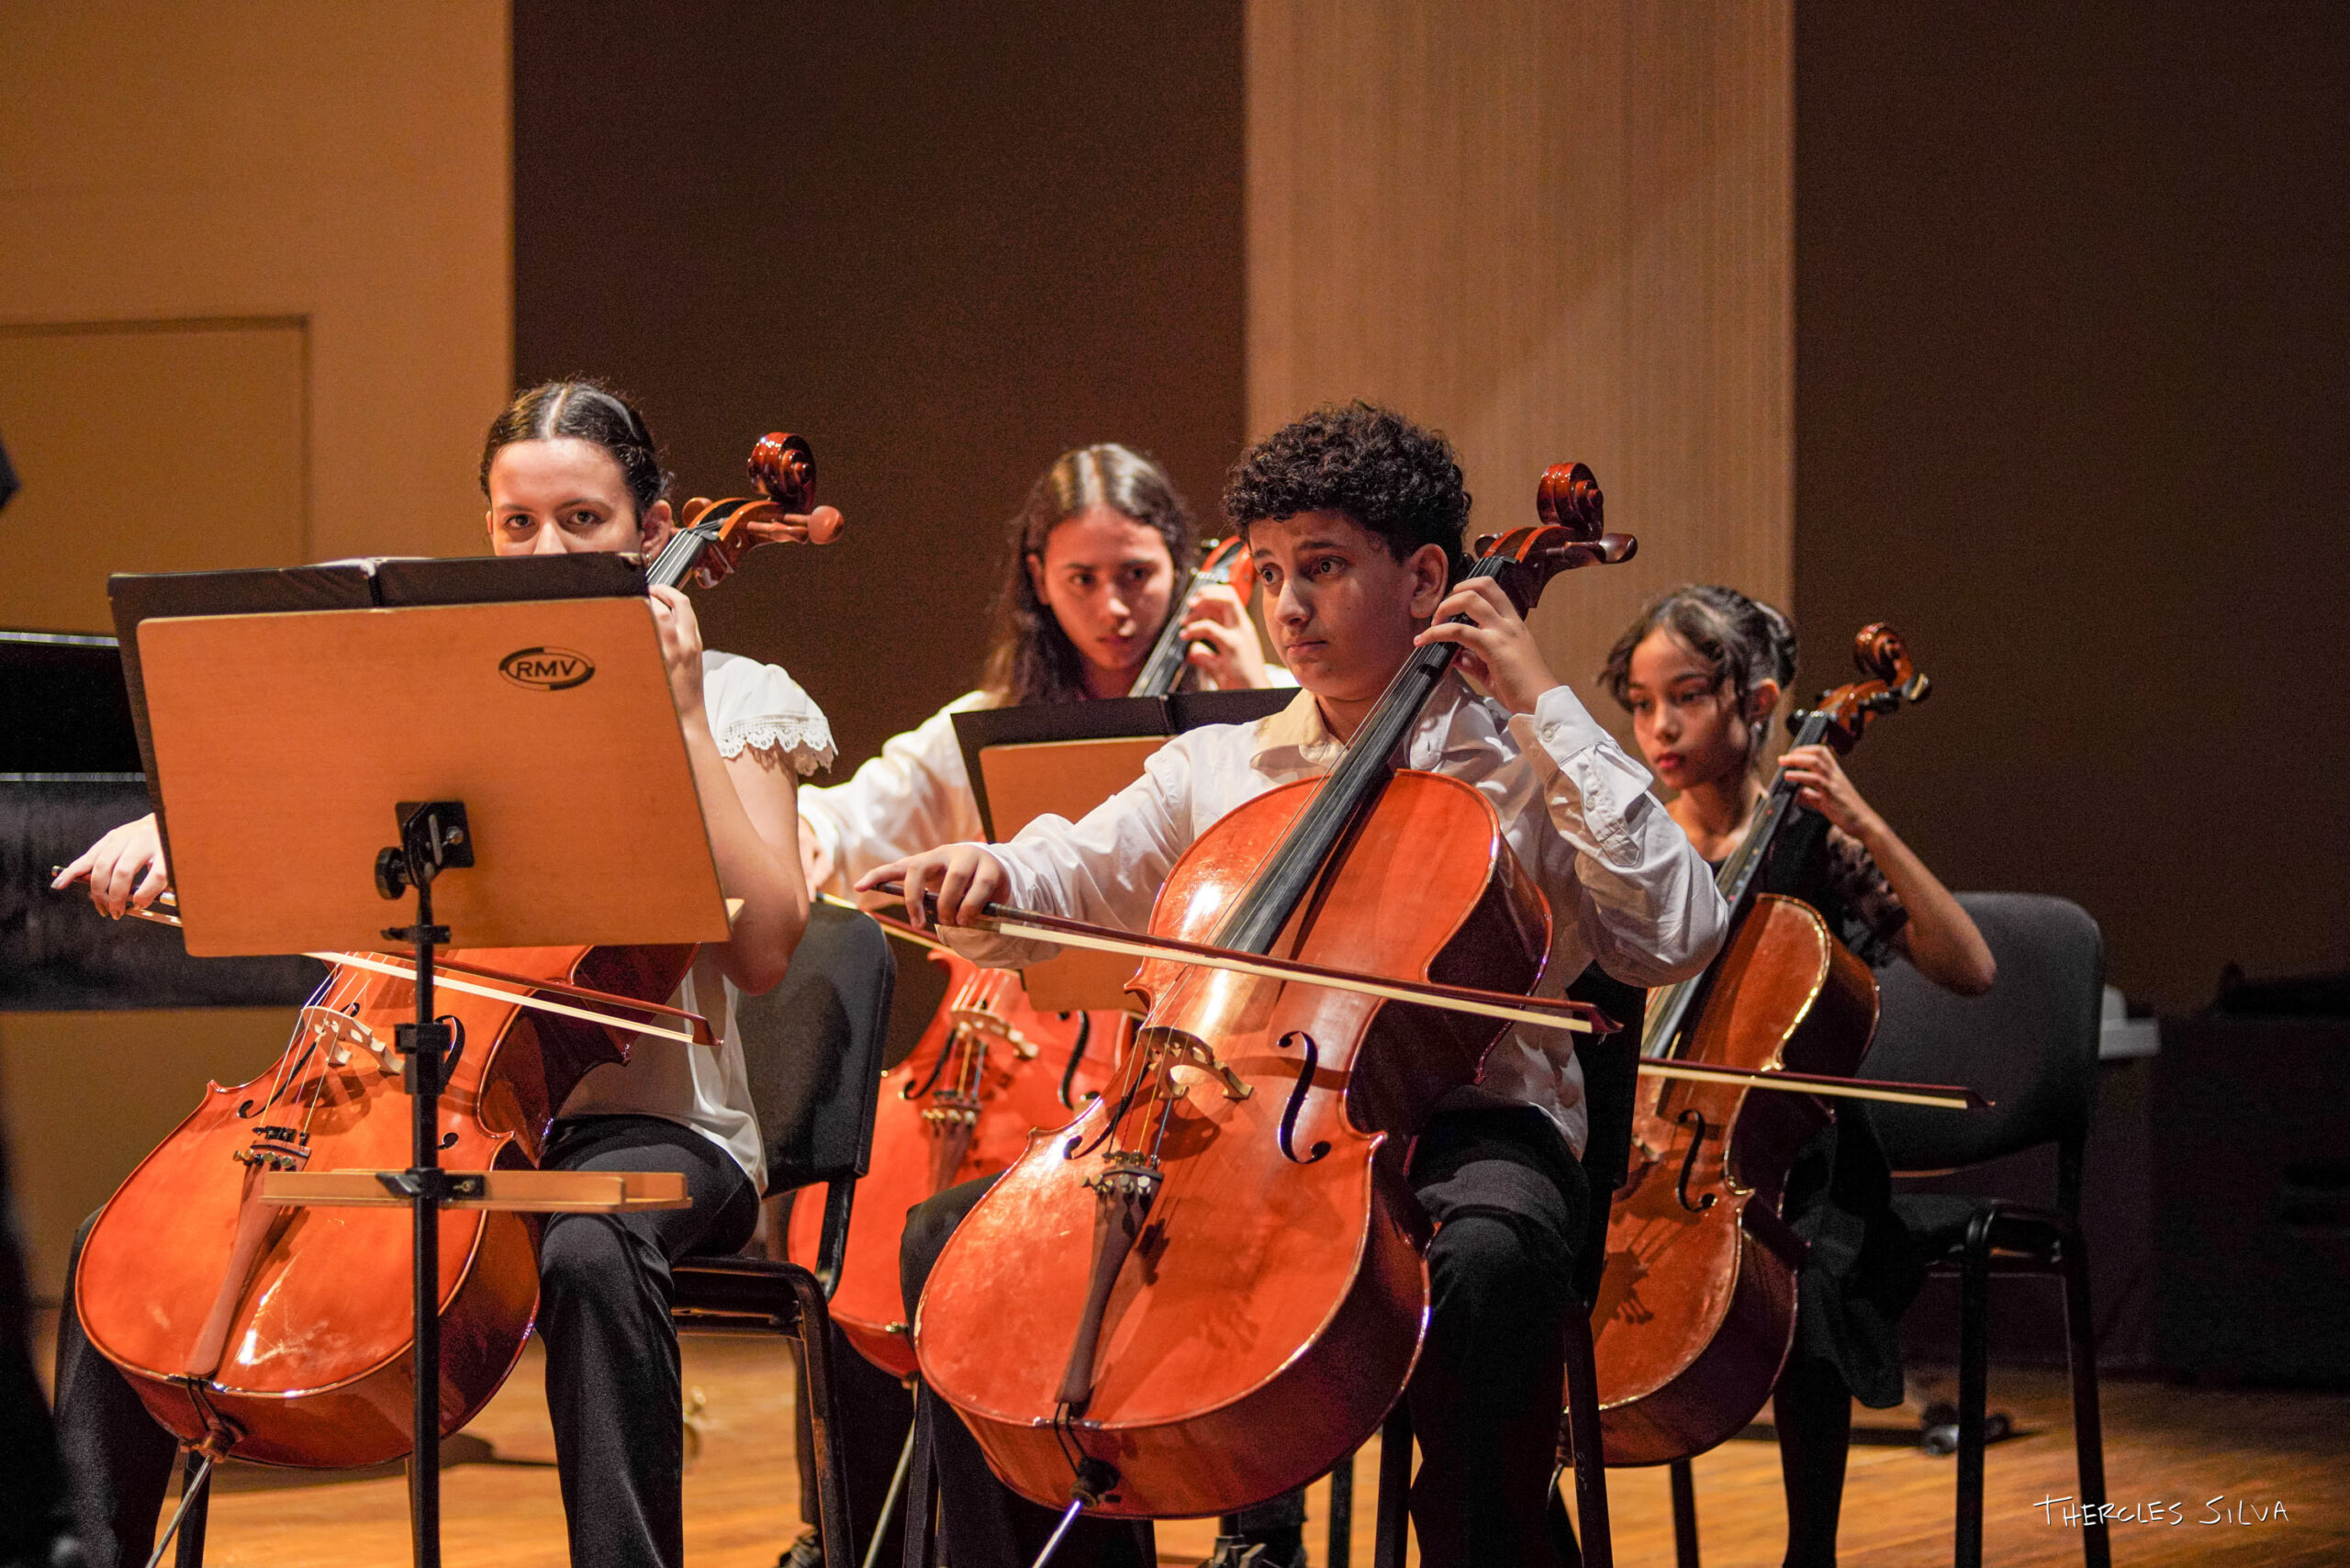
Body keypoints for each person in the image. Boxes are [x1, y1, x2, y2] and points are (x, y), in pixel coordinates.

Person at [862, 402, 1729, 1568]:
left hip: (1470, 1128)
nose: (1288, 607)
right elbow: (1078, 865)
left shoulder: (1527, 768)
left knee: (1488, 1262)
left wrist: (1543, 702)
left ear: (1425, 579)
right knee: (957, 1245)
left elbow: (1678, 930)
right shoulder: (1224, 763)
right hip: (1239, 1121)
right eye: (1271, 571)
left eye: (1321, 567)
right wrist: (992, 871)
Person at [48, 381, 834, 1568]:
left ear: (655, 528)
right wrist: (183, 832)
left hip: (658, 1132)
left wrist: (674, 713)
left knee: (587, 1247)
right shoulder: (444, 695)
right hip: (420, 1097)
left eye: (583, 520)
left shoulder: (738, 700)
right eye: (519, 524)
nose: (547, 551)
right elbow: (295, 805)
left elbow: (765, 946)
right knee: (125, 1246)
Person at [786, 442, 1277, 1568]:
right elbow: (858, 815)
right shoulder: (992, 719)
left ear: (1184, 569)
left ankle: (1255, 1531)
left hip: (1187, 1066)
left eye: (1137, 576)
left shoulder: (1249, 726)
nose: (1113, 609)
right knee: (872, 1235)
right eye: (1081, 580)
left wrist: (1254, 687)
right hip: (1009, 1062)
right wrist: (796, 834)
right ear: (1037, 580)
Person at [1600, 584, 1996, 1568]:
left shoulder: (1817, 844)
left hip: (1804, 1155)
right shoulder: (1645, 850)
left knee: (1803, 1281)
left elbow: (1971, 967)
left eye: (1686, 696)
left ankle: (1808, 1551)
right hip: (1658, 1137)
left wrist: (1860, 817)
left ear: (1759, 700)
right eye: (1640, 703)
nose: (1658, 727)